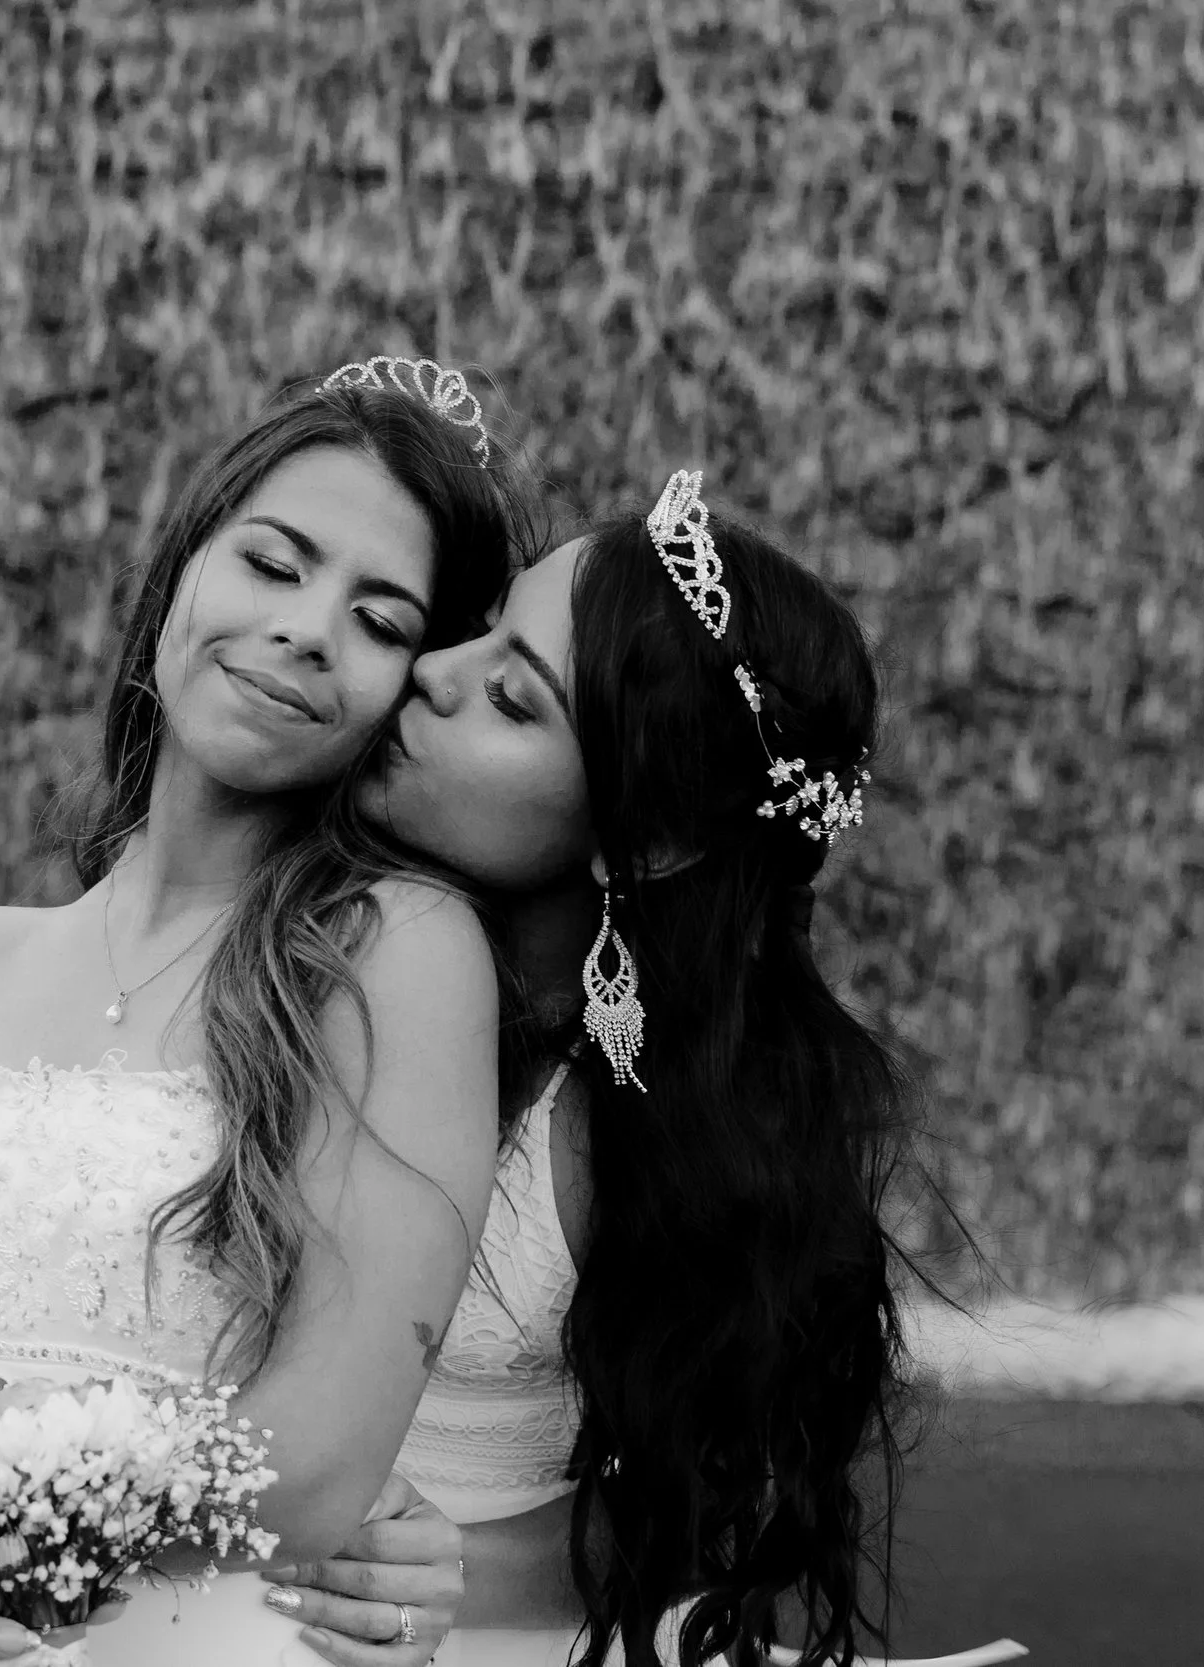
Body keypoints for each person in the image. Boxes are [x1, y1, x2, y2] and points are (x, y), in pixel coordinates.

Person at [0, 360, 526, 1666]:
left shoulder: (395, 956)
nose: (310, 626)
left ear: (407, 687)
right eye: (273, 561)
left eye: (379, 619)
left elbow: (309, 1465)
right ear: (181, 567)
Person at [267, 471, 926, 1667]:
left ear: (650, 835)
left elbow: (686, 1518)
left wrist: (429, 1571)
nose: (429, 668)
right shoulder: (285, 924)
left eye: (511, 698)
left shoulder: (675, 1136)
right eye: (480, 627)